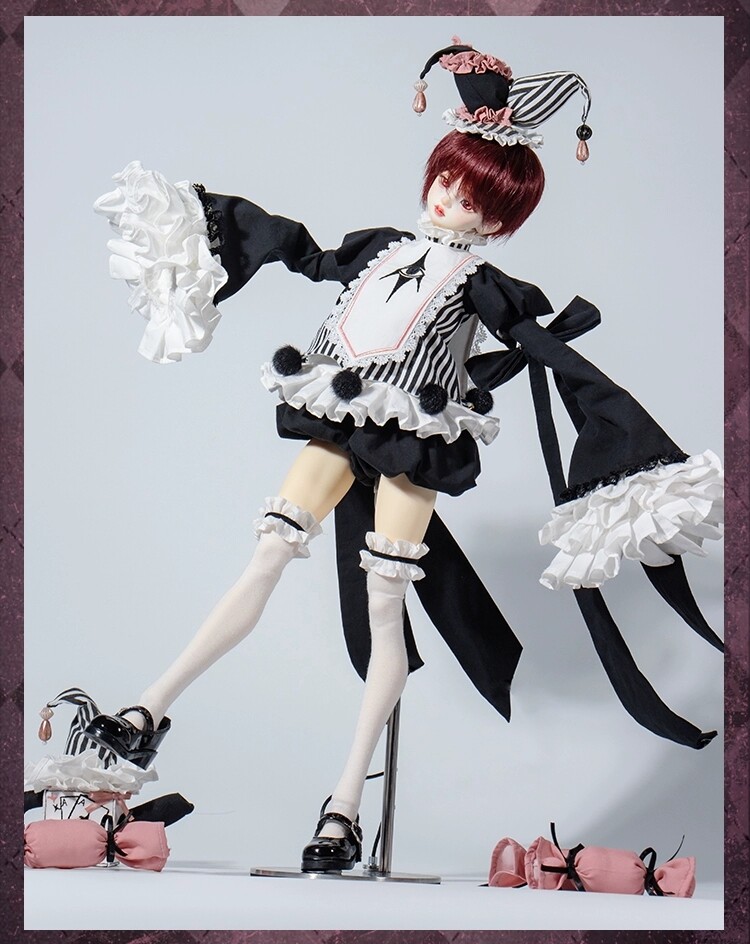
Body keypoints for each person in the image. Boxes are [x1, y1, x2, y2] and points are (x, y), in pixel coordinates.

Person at [84, 42, 724, 873]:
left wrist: (627, 450)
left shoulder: (484, 284)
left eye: (470, 194)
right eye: (445, 178)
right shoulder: (380, 248)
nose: (447, 196)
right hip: (336, 415)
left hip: (414, 442)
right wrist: (208, 225)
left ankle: (344, 805)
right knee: (268, 554)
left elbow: (544, 349)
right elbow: (302, 253)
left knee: (385, 605)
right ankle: (148, 708)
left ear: (497, 218)